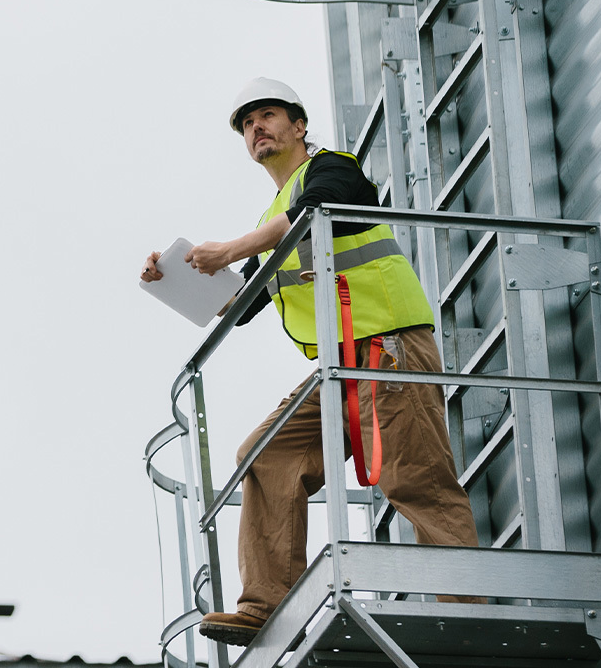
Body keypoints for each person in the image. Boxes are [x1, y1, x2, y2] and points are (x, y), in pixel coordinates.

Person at [141, 78, 480, 647]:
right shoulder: (275, 213)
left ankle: (465, 604)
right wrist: (172, 278)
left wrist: (231, 248)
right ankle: (265, 605)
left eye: (268, 115)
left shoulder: (333, 168)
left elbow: (318, 209)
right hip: (340, 366)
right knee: (266, 452)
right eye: (248, 124)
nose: (257, 128)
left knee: (412, 472)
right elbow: (240, 305)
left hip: (387, 344)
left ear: (299, 126)